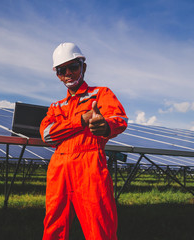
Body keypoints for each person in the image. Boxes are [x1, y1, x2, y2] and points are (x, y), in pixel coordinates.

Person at [40, 42, 128, 240]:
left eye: (73, 67)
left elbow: (119, 119)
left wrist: (104, 126)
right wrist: (81, 120)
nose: (68, 73)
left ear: (83, 67)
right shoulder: (56, 106)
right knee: (54, 225)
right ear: (57, 75)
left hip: (90, 166)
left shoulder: (101, 94)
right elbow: (46, 134)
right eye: (62, 70)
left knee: (99, 226)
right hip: (58, 169)